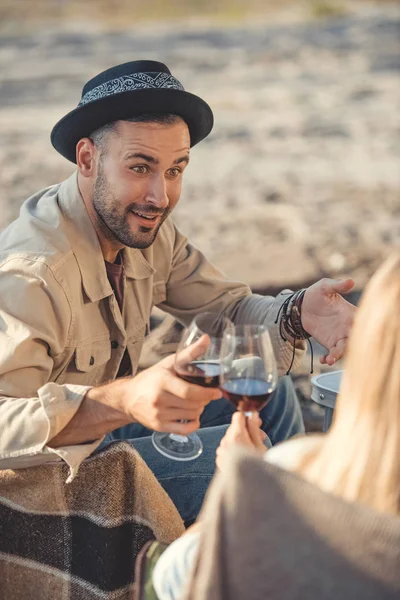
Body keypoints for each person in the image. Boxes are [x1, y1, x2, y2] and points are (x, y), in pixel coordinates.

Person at [0, 60, 355, 525]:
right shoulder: (32, 273)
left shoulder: (139, 225)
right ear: (87, 159)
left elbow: (225, 310)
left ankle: (290, 531)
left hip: (99, 437)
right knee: (232, 464)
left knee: (266, 386)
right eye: (141, 167)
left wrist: (295, 314)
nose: (160, 195)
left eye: (175, 170)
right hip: (33, 486)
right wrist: (122, 401)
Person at [152, 252, 400, 598]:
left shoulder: (295, 462)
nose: (158, 197)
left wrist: (237, 486)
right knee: (276, 390)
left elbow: (172, 579)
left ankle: (276, 526)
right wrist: (295, 313)